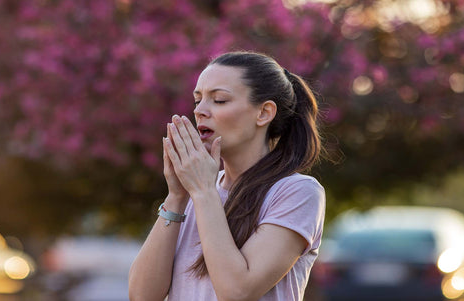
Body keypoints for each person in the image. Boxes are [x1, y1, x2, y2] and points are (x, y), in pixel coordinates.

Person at [129, 51, 326, 301]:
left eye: (219, 100)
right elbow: (141, 295)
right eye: (197, 100)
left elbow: (237, 292)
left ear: (264, 113)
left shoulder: (298, 192)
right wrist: (177, 196)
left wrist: (202, 192)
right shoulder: (197, 190)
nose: (200, 110)